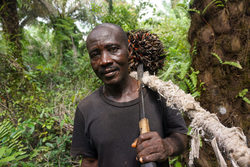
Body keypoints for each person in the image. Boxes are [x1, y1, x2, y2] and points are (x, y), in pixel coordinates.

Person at [71, 23, 188, 167]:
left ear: (129, 52)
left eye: (113, 49)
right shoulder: (86, 108)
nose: (105, 61)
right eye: (95, 54)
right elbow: (90, 161)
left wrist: (167, 146)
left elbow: (181, 136)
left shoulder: (160, 95)